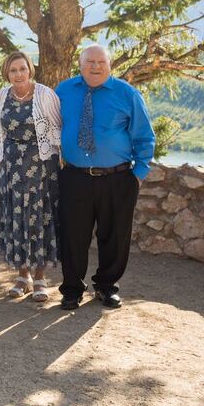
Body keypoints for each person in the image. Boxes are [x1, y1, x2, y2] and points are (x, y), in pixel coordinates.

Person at [56, 45, 155, 310]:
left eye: (101, 62)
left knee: (115, 235)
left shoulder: (127, 94)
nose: (95, 66)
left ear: (110, 65)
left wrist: (138, 175)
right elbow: (51, 126)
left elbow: (145, 136)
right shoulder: (63, 91)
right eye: (90, 61)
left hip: (118, 177)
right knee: (73, 235)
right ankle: (72, 289)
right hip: (75, 177)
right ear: (80, 64)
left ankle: (107, 286)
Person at [0, 51, 62, 303]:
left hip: (41, 168)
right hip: (11, 168)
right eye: (13, 70)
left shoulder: (45, 94)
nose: (18, 74)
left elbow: (57, 130)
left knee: (39, 218)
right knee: (16, 218)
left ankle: (41, 278)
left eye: (22, 69)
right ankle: (22, 276)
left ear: (30, 69)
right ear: (7, 73)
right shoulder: (1, 96)